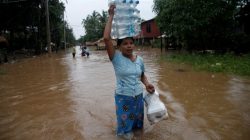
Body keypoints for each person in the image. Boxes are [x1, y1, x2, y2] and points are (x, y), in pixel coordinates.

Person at [103, 5, 155, 140]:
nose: (129, 45)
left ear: (134, 44)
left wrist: (147, 84)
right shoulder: (116, 58)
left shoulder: (140, 60)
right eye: (125, 43)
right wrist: (111, 16)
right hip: (123, 99)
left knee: (138, 128)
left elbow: (142, 75)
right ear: (119, 47)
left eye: (131, 43)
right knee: (125, 132)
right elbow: (107, 39)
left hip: (138, 98)